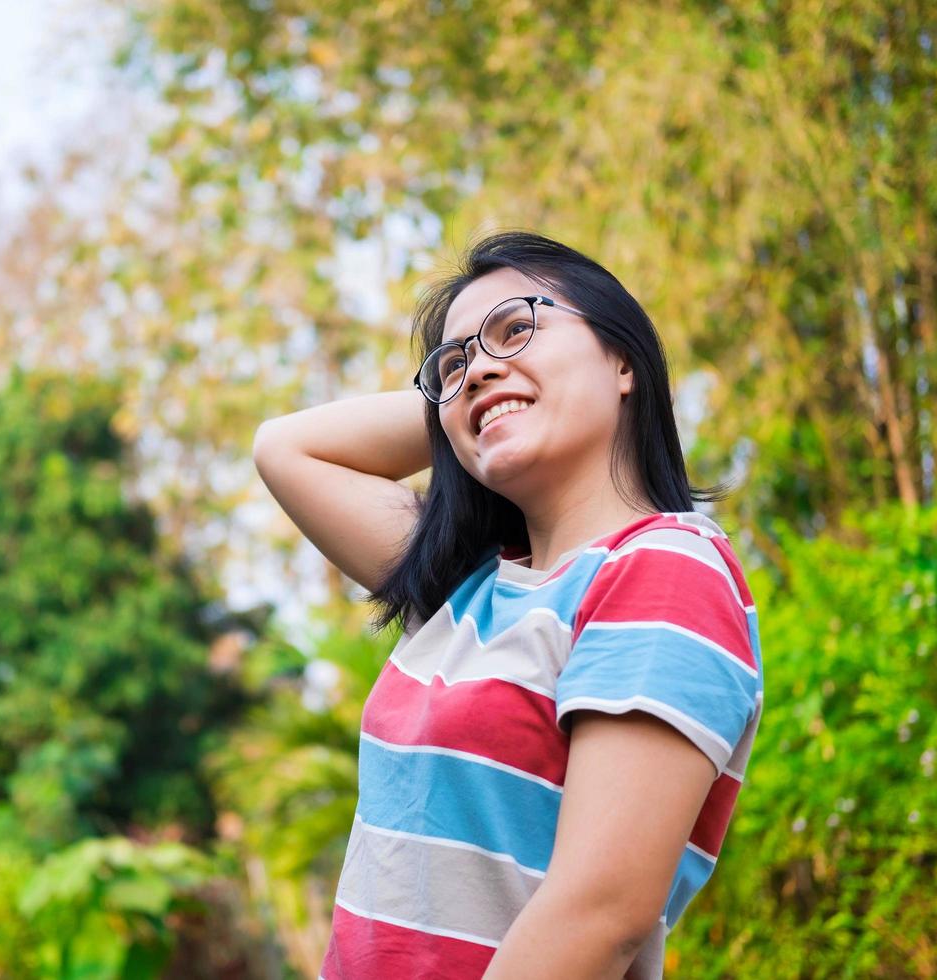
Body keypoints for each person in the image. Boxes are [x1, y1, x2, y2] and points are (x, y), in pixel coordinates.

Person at [252, 230, 764, 980]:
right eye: (453, 363)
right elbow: (285, 447)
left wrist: (489, 383)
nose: (479, 366)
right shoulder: (463, 589)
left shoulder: (664, 566)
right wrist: (473, 399)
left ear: (624, 359)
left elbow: (600, 911)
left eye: (517, 327)